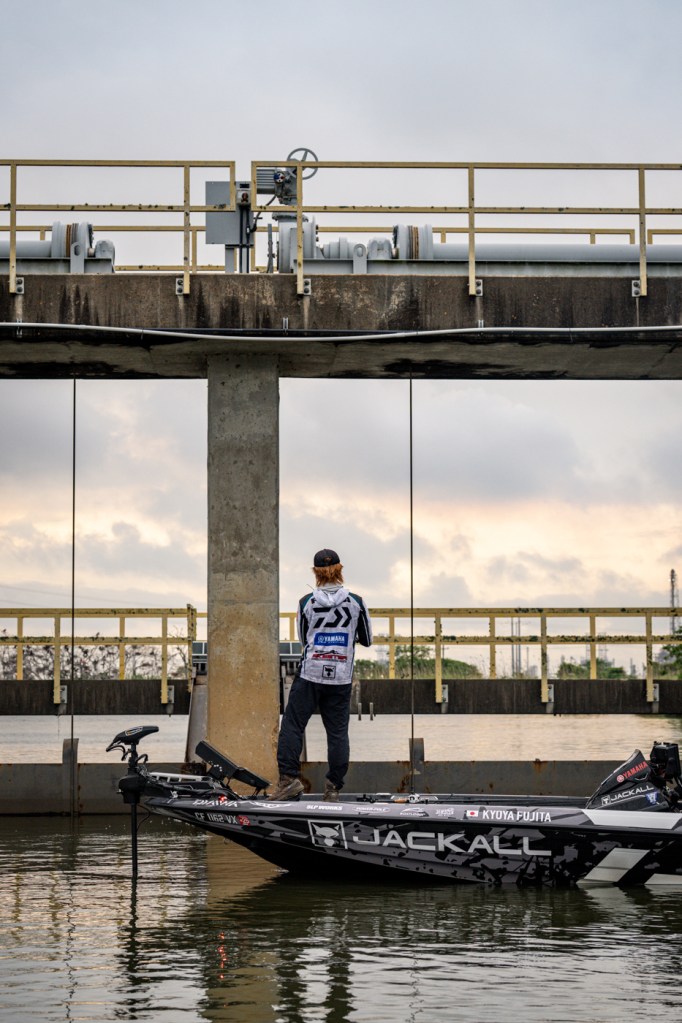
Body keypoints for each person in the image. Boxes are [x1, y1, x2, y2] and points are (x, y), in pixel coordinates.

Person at [269, 548, 372, 801]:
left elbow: (304, 640)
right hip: (341, 676)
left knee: (293, 726)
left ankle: (288, 781)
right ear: (340, 570)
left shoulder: (306, 602)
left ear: (315, 573)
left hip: (311, 673)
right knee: (337, 733)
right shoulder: (356, 602)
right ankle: (333, 788)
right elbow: (367, 639)